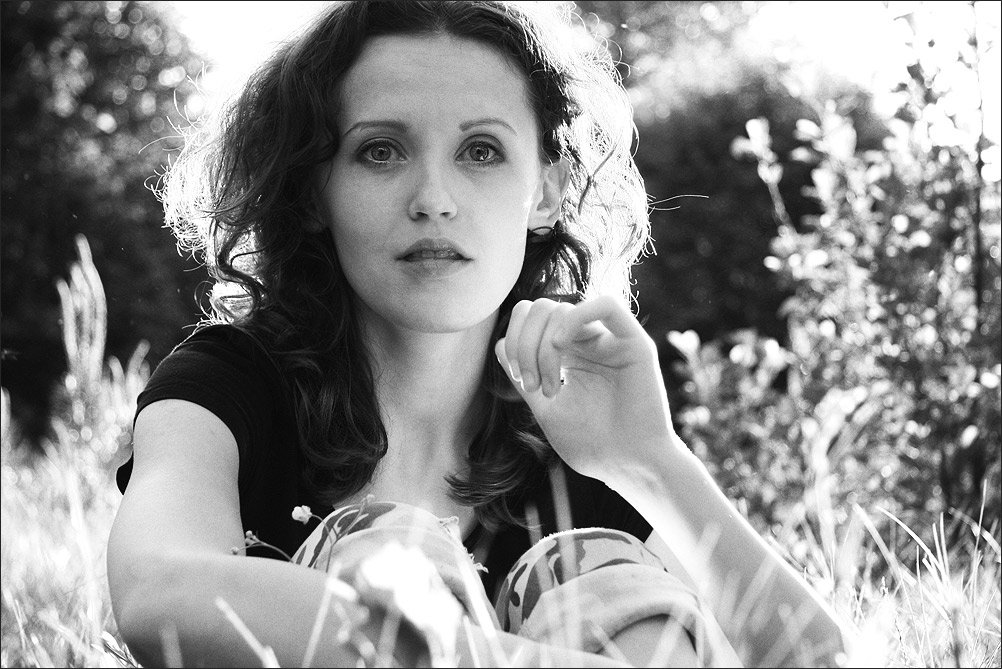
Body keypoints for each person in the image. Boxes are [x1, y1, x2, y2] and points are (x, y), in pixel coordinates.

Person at [107, 1, 852, 667]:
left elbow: (818, 662)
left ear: (548, 190)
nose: (434, 198)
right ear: (313, 191)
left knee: (596, 569)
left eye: (482, 151)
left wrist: (649, 460)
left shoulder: (563, 426)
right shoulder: (229, 382)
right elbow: (158, 593)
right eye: (380, 150)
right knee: (389, 549)